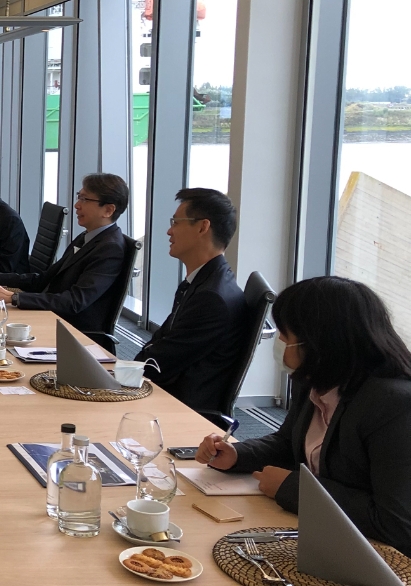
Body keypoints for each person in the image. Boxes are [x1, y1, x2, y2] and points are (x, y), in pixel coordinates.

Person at [196, 277, 411, 556]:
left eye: (285, 336)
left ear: (319, 343)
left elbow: (395, 523)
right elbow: (288, 443)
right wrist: (237, 455)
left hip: (379, 559)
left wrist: (294, 489)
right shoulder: (314, 380)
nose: (280, 342)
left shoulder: (394, 406)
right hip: (322, 536)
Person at [0, 173, 128, 340]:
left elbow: (74, 302)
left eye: (85, 199)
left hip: (72, 333)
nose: (77, 205)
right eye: (79, 197)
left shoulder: (110, 249)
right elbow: (43, 279)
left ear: (108, 210)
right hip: (52, 315)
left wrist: (13, 297)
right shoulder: (87, 237)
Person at [137, 189, 247, 415]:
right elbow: (163, 343)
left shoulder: (211, 298)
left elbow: (159, 363)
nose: (169, 231)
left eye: (176, 222)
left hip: (180, 410)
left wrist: (125, 371)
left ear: (202, 227)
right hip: (171, 396)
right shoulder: (206, 281)